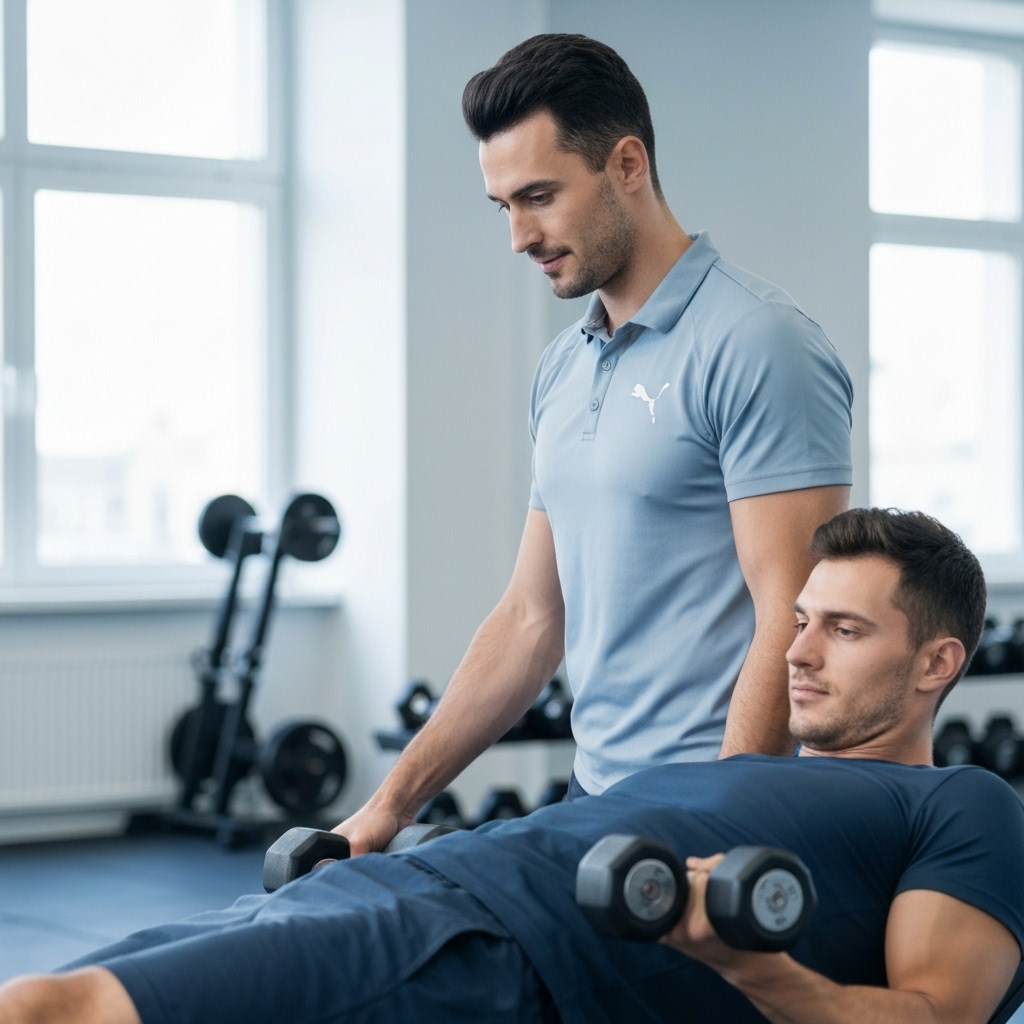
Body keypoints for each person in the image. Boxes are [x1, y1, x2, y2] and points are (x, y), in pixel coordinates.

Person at [4, 508, 1021, 1024]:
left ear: (938, 661)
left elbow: (934, 1015)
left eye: (842, 630)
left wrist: (757, 965)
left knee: (62, 1011)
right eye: (797, 621)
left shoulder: (962, 801)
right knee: (52, 991)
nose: (796, 652)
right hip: (398, 884)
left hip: (493, 945)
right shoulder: (744, 764)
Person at [340, 32, 854, 853]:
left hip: (706, 809)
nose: (519, 235)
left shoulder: (759, 342)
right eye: (503, 205)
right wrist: (390, 804)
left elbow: (789, 616)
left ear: (627, 165)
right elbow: (529, 619)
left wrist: (721, 836)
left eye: (539, 196)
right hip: (595, 796)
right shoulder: (563, 367)